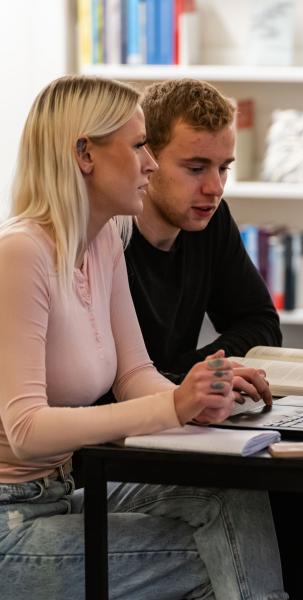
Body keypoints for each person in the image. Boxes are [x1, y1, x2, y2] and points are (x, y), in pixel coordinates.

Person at [0, 76, 286, 599]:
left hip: (59, 494)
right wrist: (175, 406)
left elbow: (134, 375)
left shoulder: (105, 236)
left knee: (234, 498)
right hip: (10, 518)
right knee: (218, 556)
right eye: (138, 148)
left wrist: (200, 396)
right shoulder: (21, 253)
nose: (150, 164)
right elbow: (25, 430)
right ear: (85, 154)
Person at [117, 77, 303, 599]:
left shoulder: (210, 220)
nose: (215, 187)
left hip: (186, 420)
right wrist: (195, 379)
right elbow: (102, 387)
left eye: (224, 168)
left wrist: (203, 375)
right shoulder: (108, 241)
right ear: (147, 158)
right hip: (124, 441)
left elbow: (258, 320)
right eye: (195, 168)